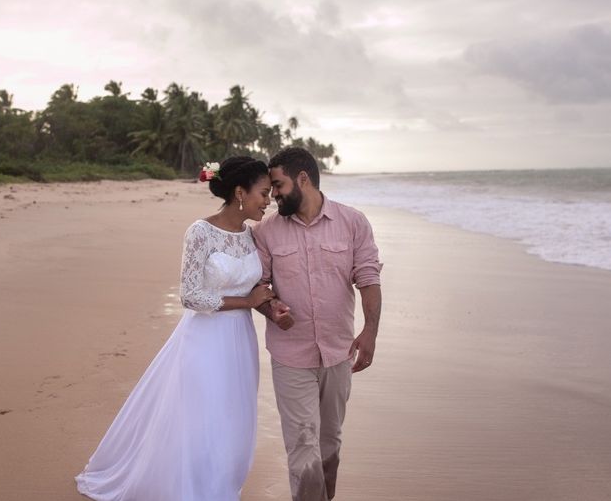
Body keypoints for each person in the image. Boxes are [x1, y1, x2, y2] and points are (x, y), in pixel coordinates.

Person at [76, 156, 285, 501]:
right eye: (263, 193)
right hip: (204, 338)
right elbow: (190, 295)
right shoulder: (200, 232)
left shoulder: (251, 236)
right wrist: (246, 302)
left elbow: (255, 288)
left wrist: (267, 303)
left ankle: (217, 484)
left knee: (232, 415)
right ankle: (189, 489)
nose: (269, 200)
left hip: (240, 339)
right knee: (201, 414)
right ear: (239, 192)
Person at [252, 147, 383, 501]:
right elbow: (259, 286)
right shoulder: (266, 232)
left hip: (338, 352)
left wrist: (369, 332)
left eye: (278, 185)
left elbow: (368, 278)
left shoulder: (353, 222)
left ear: (303, 179)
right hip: (291, 356)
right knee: (302, 445)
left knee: (329, 444)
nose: (274, 194)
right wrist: (272, 308)